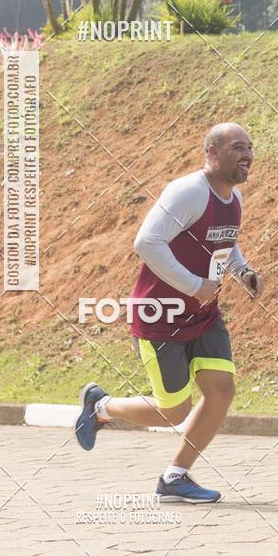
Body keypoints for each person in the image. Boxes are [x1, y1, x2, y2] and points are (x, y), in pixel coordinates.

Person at [75, 123, 263, 503]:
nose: (247, 155)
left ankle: (175, 477)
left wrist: (242, 272)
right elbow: (146, 242)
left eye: (250, 148)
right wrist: (195, 285)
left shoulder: (234, 199)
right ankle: (101, 406)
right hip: (161, 315)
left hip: (203, 314)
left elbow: (226, 241)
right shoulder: (188, 191)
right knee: (172, 412)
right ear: (212, 153)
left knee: (221, 390)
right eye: (237, 147)